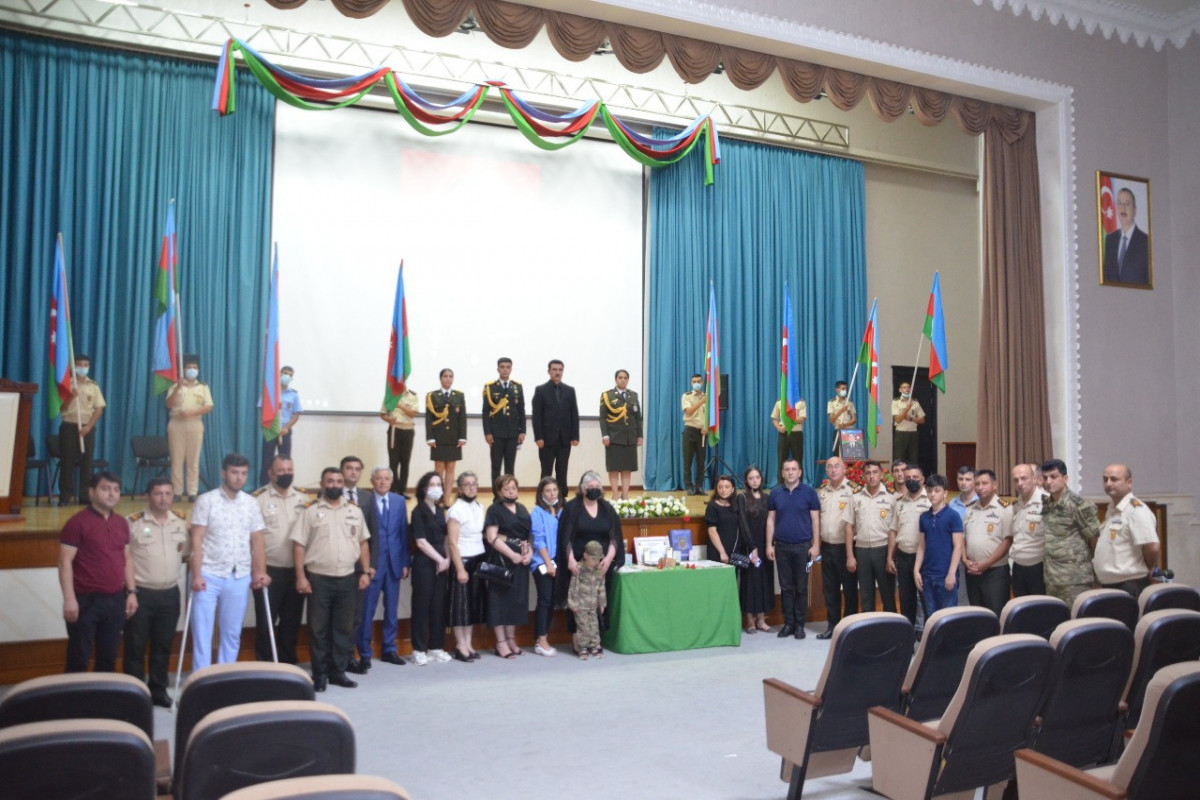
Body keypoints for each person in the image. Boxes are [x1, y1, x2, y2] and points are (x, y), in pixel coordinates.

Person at [292, 468, 370, 691]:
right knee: (318, 629)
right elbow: (299, 545)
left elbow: (363, 543)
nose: (335, 485)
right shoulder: (310, 511)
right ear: (322, 484)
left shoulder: (354, 510)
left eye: (338, 481)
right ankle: (320, 674)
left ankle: (338, 672)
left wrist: (365, 572)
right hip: (319, 578)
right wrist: (300, 577)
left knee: (343, 629)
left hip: (347, 578)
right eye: (330, 481)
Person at [188, 453, 269, 670]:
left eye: (243, 473)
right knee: (203, 635)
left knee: (232, 633)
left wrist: (260, 572)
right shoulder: (206, 500)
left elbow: (257, 540)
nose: (239, 477)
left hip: (239, 576)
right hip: (208, 575)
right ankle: (202, 681)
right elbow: (197, 539)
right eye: (234, 472)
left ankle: (225, 679)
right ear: (224, 473)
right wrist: (196, 575)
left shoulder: (251, 503)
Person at [59, 471, 137, 672]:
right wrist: (69, 599)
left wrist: (131, 592)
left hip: (115, 600)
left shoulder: (122, 523)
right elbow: (65, 563)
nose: (112, 494)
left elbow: (127, 559)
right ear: (91, 492)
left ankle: (103, 694)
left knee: (108, 658)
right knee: (79, 658)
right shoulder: (77, 523)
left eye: (116, 489)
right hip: (86, 601)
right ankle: (75, 695)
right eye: (105, 489)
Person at [124, 477, 187, 705]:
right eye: (158, 494)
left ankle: (158, 691)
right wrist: (130, 592)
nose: (163, 498)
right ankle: (135, 695)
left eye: (168, 493)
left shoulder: (180, 521)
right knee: (135, 647)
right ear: (148, 496)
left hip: (170, 594)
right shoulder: (133, 523)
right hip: (141, 593)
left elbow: (185, 553)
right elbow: (125, 559)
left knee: (163, 645)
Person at [554, 471, 624, 644]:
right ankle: (579, 642)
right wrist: (570, 560)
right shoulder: (572, 508)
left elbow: (615, 537)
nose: (594, 489)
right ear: (582, 488)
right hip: (579, 566)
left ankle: (595, 640)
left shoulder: (607, 508)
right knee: (579, 605)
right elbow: (565, 537)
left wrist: (608, 559)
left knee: (600, 601)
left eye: (597, 486)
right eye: (590, 486)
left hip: (601, 566)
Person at [354, 465, 411, 671]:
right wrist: (365, 565)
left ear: (391, 481)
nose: (383, 482)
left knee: (392, 609)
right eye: (378, 478)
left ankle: (389, 649)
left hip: (394, 563)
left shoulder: (398, 501)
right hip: (372, 565)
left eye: (386, 478)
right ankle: (364, 653)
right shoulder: (365, 500)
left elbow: (403, 533)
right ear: (372, 481)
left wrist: (405, 562)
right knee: (366, 610)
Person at [252, 455, 307, 665]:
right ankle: (265, 666)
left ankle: (288, 664)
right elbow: (252, 539)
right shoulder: (258, 499)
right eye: (281, 470)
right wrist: (257, 571)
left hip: (296, 571)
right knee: (265, 622)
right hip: (268, 571)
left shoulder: (303, 498)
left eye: (289, 470)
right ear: (270, 473)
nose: (286, 474)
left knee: (291, 622)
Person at [765, 458, 820, 640]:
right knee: (786, 588)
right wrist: (768, 544)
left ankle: (800, 625)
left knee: (801, 588)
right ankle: (788, 624)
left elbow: (815, 520)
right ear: (782, 473)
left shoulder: (809, 492)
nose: (790, 472)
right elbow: (771, 520)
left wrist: (816, 545)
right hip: (781, 547)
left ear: (800, 472)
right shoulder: (775, 493)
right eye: (787, 469)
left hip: (803, 547)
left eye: (793, 469)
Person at [1040, 458, 1101, 607]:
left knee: (1076, 617)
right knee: (1056, 616)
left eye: (1053, 477)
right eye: (1045, 478)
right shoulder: (1047, 504)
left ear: (1065, 479)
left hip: (1075, 578)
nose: (1049, 482)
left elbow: (1094, 539)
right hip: (1052, 577)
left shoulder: (1079, 505)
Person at [483, 474, 532, 659]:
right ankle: (500, 642)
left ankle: (511, 639)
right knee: (499, 601)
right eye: (507, 488)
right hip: (502, 560)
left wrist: (529, 553)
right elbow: (491, 537)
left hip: (521, 562)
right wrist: (512, 555)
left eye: (513, 488)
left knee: (515, 601)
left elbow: (529, 536)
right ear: (499, 491)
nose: (511, 491)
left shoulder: (522, 509)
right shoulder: (494, 510)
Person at [1094, 464, 1160, 598]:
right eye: (1105, 479)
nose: (1108, 484)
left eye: (1114, 479)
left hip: (1130, 585)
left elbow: (1152, 547)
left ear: (1129, 483)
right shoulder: (1113, 510)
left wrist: (1147, 567)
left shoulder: (1136, 510)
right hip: (1110, 586)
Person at [409, 471, 453, 666]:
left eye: (439, 484)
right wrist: (439, 559)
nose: (436, 488)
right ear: (424, 488)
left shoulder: (441, 510)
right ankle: (419, 649)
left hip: (441, 563)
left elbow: (446, 538)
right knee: (422, 607)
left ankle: (436, 647)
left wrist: (447, 558)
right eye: (432, 484)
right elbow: (421, 542)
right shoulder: (418, 511)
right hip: (424, 563)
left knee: (438, 606)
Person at [446, 471, 486, 662]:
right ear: (460, 489)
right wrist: (460, 569)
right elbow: (452, 543)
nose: (471, 487)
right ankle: (460, 645)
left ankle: (469, 643)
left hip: (478, 560)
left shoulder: (480, 506)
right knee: (460, 606)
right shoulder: (456, 510)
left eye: (474, 484)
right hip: (462, 561)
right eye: (467, 484)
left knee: (472, 605)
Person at [816, 456, 857, 639]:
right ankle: (832, 626)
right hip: (827, 547)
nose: (833, 470)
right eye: (829, 467)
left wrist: (850, 555)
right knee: (830, 590)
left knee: (849, 590)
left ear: (844, 469)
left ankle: (849, 629)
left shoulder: (853, 490)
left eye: (837, 466)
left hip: (846, 548)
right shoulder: (822, 492)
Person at [962, 469, 1013, 617]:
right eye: (977, 484)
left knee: (995, 614)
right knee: (976, 615)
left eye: (985, 483)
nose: (980, 487)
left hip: (995, 572)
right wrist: (965, 560)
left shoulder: (1005, 508)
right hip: (972, 571)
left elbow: (1007, 541)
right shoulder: (970, 508)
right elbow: (963, 539)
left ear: (994, 485)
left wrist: (987, 563)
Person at [58, 354, 106, 506]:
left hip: (87, 428)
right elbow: (61, 408)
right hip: (69, 426)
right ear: (74, 367)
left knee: (87, 462)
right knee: (67, 461)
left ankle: (85, 496)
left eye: (85, 365)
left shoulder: (93, 386)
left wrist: (89, 427)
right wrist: (71, 397)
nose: (82, 368)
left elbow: (99, 409)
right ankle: (65, 496)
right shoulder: (67, 384)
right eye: (79, 365)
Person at [850, 460, 897, 613]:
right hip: (862, 550)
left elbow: (895, 529)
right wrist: (850, 555)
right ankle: (869, 626)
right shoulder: (856, 498)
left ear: (881, 475)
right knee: (866, 596)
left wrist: (891, 556)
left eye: (875, 472)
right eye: (868, 473)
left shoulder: (892, 498)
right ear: (863, 476)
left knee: (888, 595)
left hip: (883, 549)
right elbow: (849, 527)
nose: (872, 476)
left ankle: (890, 625)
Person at [166, 354, 213, 501]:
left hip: (195, 424)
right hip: (176, 424)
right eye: (189, 367)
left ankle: (192, 492)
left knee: (193, 460)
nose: (192, 370)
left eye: (195, 367)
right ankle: (177, 492)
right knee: (177, 460)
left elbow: (209, 406)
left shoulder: (203, 387)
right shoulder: (174, 386)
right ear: (183, 369)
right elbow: (168, 404)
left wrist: (191, 413)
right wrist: (178, 387)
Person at [889, 464, 931, 629]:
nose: (911, 480)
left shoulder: (930, 501)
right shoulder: (900, 502)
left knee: (926, 599)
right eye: (908, 478)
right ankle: (908, 634)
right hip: (904, 556)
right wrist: (890, 557)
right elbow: (894, 530)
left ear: (923, 480)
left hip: (925, 558)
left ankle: (927, 634)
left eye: (915, 477)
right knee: (906, 599)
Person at [915, 474, 964, 614]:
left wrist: (951, 573)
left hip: (945, 574)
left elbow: (958, 546)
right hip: (927, 574)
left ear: (945, 493)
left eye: (937, 491)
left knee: (948, 616)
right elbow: (922, 546)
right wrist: (916, 570)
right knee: (931, 615)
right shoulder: (924, 517)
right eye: (929, 490)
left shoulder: (953, 516)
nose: (932, 494)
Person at [532, 359, 580, 496]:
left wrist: (575, 436)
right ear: (549, 371)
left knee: (562, 470)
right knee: (546, 471)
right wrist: (538, 437)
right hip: (546, 439)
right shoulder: (541, 390)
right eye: (554, 369)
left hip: (564, 439)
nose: (557, 372)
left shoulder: (570, 391)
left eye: (560, 370)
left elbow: (574, 414)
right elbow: (537, 416)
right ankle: (543, 497)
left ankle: (562, 497)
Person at [737, 466, 774, 633]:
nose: (754, 481)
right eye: (751, 478)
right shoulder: (742, 498)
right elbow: (743, 523)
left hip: (765, 545)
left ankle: (761, 620)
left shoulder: (767, 498)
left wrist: (770, 544)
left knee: (763, 582)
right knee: (750, 583)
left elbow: (771, 522)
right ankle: (750, 621)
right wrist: (752, 547)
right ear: (746, 480)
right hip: (749, 546)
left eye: (757, 477)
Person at [530, 476, 561, 657]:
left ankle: (542, 637)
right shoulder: (537, 512)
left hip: (557, 562)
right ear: (541, 493)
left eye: (555, 490)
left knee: (552, 601)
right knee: (545, 600)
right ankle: (541, 640)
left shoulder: (559, 511)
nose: (552, 494)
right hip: (542, 563)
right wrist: (548, 563)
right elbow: (539, 540)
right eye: (548, 491)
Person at [600, 369, 643, 500]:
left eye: (625, 378)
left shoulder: (633, 395)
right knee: (613, 468)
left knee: (626, 468)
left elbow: (638, 418)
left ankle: (625, 495)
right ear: (616, 379)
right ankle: (615, 495)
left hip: (630, 438)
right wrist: (605, 435)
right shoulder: (607, 395)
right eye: (620, 377)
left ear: (628, 380)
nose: (623, 380)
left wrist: (639, 435)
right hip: (614, 437)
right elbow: (603, 418)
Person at [482, 357, 526, 482]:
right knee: (496, 467)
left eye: (508, 367)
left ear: (511, 369)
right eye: (502, 367)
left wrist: (522, 431)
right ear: (498, 369)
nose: (505, 370)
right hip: (496, 434)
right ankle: (496, 492)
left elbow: (521, 411)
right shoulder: (490, 387)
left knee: (510, 467)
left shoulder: (517, 387)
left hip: (513, 433)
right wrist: (487, 432)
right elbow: (486, 412)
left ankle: (509, 491)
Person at [425, 368, 467, 494]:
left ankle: (446, 499)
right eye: (445, 376)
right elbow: (429, 418)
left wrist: (462, 437)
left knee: (451, 469)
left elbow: (462, 418)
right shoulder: (432, 396)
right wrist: (430, 437)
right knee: (438, 469)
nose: (448, 379)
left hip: (453, 438)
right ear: (440, 378)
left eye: (450, 376)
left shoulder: (459, 395)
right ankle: (437, 497)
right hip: (438, 438)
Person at [258, 365, 302, 485]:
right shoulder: (269, 392)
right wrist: (273, 408)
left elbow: (297, 414)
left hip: (285, 431)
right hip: (270, 430)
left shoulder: (293, 394)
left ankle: (284, 485)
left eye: (290, 375)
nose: (287, 376)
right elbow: (262, 409)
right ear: (280, 374)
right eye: (285, 373)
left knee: (285, 460)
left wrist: (286, 427)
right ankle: (264, 487)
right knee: (267, 460)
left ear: (292, 378)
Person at [1010, 463, 1048, 597]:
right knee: (1021, 606)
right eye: (1016, 480)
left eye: (1024, 478)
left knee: (1039, 607)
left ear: (1034, 478)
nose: (1020, 483)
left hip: (1039, 567)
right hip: (1018, 567)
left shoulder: (1047, 503)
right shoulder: (1016, 505)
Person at [568, 540, 608, 660]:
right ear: (585, 555)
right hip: (581, 605)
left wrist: (602, 603)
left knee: (594, 625)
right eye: (593, 559)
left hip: (593, 604)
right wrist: (573, 604)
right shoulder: (579, 569)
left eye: (598, 559)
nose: (596, 562)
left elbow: (601, 586)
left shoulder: (599, 570)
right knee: (583, 626)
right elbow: (573, 587)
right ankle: (582, 647)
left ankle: (595, 645)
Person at [1102, 187, 1150, 285]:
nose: (1123, 209)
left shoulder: (1146, 242)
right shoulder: (1110, 240)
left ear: (1134, 210)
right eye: (1119, 203)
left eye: (1127, 204)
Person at [380, 386, 419, 496]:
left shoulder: (412, 395)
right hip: (394, 430)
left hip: (408, 430)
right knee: (393, 462)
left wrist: (400, 406)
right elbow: (383, 414)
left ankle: (403, 490)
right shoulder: (390, 395)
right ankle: (394, 490)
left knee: (405, 462)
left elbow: (413, 414)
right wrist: (389, 419)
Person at [948, 466, 976, 603]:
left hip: (976, 554)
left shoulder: (981, 501)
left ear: (975, 481)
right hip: (957, 554)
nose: (964, 482)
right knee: (960, 593)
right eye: (960, 479)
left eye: (968, 479)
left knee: (977, 595)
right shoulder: (952, 503)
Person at [681, 373, 707, 494]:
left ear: (702, 383)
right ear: (691, 383)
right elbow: (689, 412)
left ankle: (699, 486)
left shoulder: (707, 397)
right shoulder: (686, 396)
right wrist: (701, 402)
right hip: (689, 431)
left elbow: (709, 415)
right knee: (688, 461)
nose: (696, 383)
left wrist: (706, 428)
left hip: (702, 433)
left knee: (701, 461)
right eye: (694, 381)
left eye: (698, 381)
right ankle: (689, 486)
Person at [704, 475, 739, 565]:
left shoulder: (737, 505)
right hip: (717, 551)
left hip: (734, 550)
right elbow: (712, 531)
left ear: (732, 489)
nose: (723, 490)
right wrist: (722, 552)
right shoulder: (712, 506)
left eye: (727, 487)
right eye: (720, 487)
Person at [771, 397, 807, 482]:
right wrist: (779, 428)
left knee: (798, 460)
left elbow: (801, 419)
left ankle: (799, 484)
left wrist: (788, 421)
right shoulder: (779, 402)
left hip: (796, 433)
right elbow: (774, 418)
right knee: (781, 460)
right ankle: (781, 484)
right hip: (783, 434)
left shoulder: (800, 402)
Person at [891, 381, 925, 465]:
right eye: (904, 387)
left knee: (913, 458)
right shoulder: (896, 402)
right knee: (899, 458)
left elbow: (922, 420)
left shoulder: (915, 402)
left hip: (913, 432)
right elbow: (897, 419)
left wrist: (910, 419)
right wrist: (907, 409)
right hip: (901, 433)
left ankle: (913, 473)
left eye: (908, 387)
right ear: (900, 390)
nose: (907, 389)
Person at [826, 380, 856, 456]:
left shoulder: (849, 402)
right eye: (842, 389)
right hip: (838, 431)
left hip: (849, 432)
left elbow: (854, 420)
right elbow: (831, 420)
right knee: (838, 455)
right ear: (837, 390)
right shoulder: (831, 402)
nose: (845, 390)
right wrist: (841, 411)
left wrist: (845, 425)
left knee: (850, 455)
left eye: (846, 389)